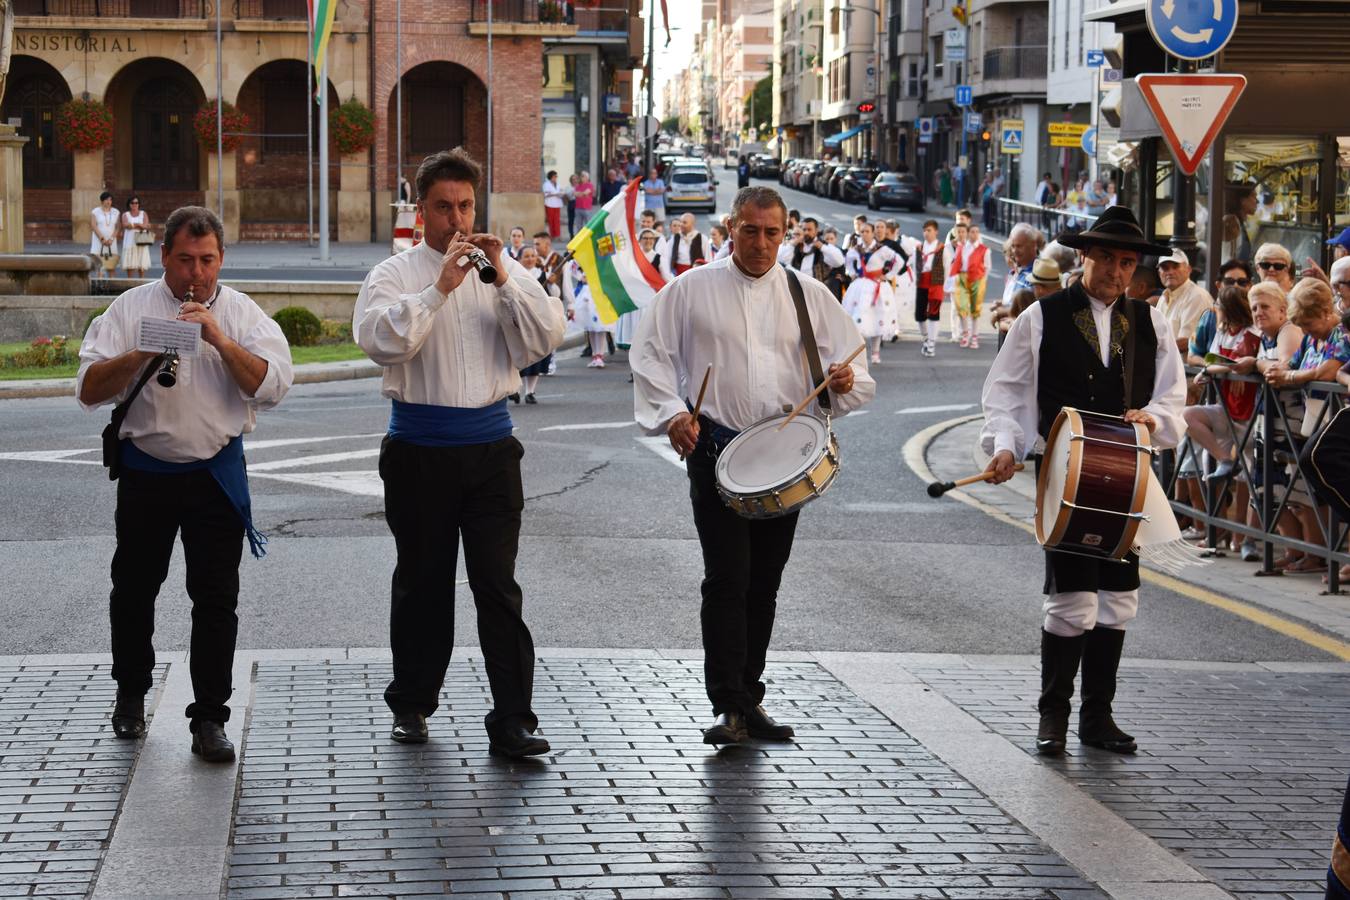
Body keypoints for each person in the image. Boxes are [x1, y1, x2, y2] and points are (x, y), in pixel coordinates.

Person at [631, 186, 875, 746]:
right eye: (749, 230)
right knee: (727, 577)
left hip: (783, 455)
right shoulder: (691, 289)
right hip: (716, 446)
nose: (761, 243)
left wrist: (843, 381)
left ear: (785, 232)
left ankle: (748, 695)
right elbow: (649, 354)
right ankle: (729, 704)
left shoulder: (808, 294)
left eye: (772, 232)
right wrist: (673, 413)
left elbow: (855, 373)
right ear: (729, 228)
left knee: (764, 581)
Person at [352, 148, 565, 756]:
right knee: (423, 584)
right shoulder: (394, 274)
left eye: (466, 205)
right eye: (443, 207)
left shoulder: (504, 270)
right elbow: (380, 342)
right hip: (419, 451)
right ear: (421, 211)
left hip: (492, 449)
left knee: (498, 586)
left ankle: (514, 718)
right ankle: (414, 705)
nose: (457, 219)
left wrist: (503, 279)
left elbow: (544, 338)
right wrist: (439, 288)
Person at [77, 206, 294, 761]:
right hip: (147, 473)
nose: (196, 274)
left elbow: (271, 387)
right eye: (184, 261)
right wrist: (144, 350)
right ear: (164, 257)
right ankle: (130, 695)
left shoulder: (242, 312)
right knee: (134, 590)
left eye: (207, 261)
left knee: (216, 599)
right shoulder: (130, 307)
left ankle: (210, 718)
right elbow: (88, 388)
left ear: (221, 259)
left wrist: (219, 339)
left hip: (214, 475)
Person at [980, 205, 1186, 757]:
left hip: (1127, 476)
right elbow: (1007, 392)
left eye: (1127, 262)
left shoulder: (1152, 321)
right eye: (1107, 259)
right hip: (1065, 475)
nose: (1118, 271)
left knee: (1118, 600)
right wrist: (1006, 447)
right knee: (1072, 601)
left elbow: (1171, 397)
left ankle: (1098, 717)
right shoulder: (1041, 317)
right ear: (1084, 256)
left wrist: (1154, 419)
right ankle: (1053, 718)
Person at [842, 222, 903, 362]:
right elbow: (848, 261)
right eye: (862, 231)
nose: (864, 234)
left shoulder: (881, 249)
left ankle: (875, 353)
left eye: (867, 231)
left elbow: (898, 261)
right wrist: (852, 273)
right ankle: (857, 354)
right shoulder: (856, 249)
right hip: (860, 287)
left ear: (872, 232)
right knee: (858, 319)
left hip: (878, 287)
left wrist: (887, 276)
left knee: (877, 319)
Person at [512, 245, 559, 405]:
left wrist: (552, 284)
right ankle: (515, 389)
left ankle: (530, 391)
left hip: (538, 320)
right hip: (519, 320)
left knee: (536, 356)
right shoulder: (513, 275)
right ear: (519, 259)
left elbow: (555, 295)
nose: (530, 258)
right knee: (518, 355)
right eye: (526, 256)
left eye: (533, 255)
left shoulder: (542, 275)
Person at [1157, 249, 1214, 356]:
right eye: (1165, 268)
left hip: (1188, 370)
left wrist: (1154, 350)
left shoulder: (1197, 296)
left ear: (1188, 270)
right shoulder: (1163, 297)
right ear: (1159, 273)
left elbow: (1186, 342)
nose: (1170, 272)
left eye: (1175, 266)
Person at [777, 216, 845, 290]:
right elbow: (779, 259)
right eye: (804, 229)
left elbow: (839, 261)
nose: (806, 232)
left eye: (809, 230)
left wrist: (822, 247)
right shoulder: (796, 245)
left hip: (816, 291)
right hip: (796, 288)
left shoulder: (824, 245)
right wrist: (793, 244)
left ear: (816, 231)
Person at [955, 224, 989, 349]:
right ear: (968, 233)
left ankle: (974, 336)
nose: (975, 234)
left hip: (977, 279)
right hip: (963, 278)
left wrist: (982, 280)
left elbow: (987, 267)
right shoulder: (962, 247)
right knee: (962, 307)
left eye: (977, 232)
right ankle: (965, 333)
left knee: (975, 309)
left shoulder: (984, 249)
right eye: (972, 232)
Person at [915, 219, 944, 358]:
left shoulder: (942, 248)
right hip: (922, 283)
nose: (926, 233)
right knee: (920, 315)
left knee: (933, 314)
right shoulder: (919, 247)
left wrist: (947, 285)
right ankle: (926, 338)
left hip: (936, 283)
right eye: (925, 230)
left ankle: (931, 343)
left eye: (929, 230)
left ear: (936, 231)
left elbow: (948, 267)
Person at [661, 212, 705, 279]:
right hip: (678, 274)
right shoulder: (675, 238)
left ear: (692, 224)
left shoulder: (702, 238)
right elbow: (668, 257)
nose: (681, 225)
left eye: (684, 223)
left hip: (696, 273)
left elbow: (708, 258)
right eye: (681, 222)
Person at [120, 196, 152, 278]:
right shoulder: (125, 214)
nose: (134, 204)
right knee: (130, 264)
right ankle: (130, 283)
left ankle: (141, 282)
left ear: (139, 204)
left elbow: (146, 226)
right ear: (129, 204)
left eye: (136, 203)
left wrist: (135, 225)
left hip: (141, 241)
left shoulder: (143, 213)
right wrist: (140, 225)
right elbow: (125, 225)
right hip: (129, 242)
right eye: (132, 203)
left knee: (141, 265)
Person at [90, 191, 119, 280]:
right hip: (99, 241)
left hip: (111, 242)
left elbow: (118, 227)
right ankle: (100, 284)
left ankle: (112, 285)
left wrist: (111, 238)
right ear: (102, 201)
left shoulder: (116, 212)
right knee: (99, 265)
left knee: (111, 264)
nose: (108, 201)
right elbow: (93, 225)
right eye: (106, 199)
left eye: (110, 200)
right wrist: (102, 239)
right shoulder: (95, 211)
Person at [543, 170, 564, 238]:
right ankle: (552, 235)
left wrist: (561, 194)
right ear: (551, 177)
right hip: (550, 204)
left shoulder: (558, 184)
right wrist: (555, 194)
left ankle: (557, 235)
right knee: (551, 221)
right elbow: (546, 194)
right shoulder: (546, 184)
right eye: (555, 176)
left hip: (557, 204)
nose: (556, 178)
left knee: (557, 221)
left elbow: (560, 191)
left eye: (556, 176)